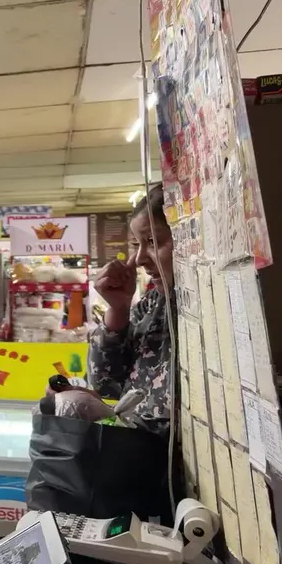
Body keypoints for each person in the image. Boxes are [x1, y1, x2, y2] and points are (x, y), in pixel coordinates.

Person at [89, 183, 174, 436]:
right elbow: (107, 384)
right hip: (142, 452)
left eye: (153, 241)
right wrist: (118, 308)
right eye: (137, 244)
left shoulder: (216, 307)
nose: (138, 259)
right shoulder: (152, 304)